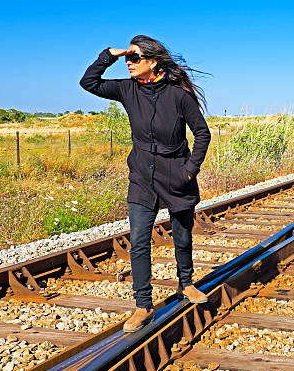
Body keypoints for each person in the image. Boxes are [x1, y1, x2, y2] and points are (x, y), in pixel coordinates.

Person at [80, 35, 212, 332]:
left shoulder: (178, 96)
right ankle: (143, 307)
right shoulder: (127, 89)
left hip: (176, 176)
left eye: (135, 57)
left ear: (153, 62)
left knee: (182, 236)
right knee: (139, 241)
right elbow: (89, 83)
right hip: (141, 177)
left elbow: (202, 133)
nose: (129, 62)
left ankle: (186, 284)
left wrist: (190, 171)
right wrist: (108, 56)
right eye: (128, 57)